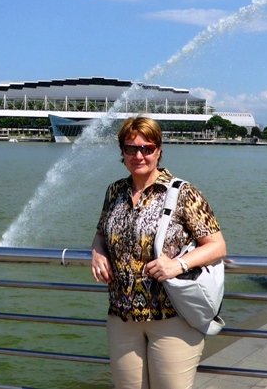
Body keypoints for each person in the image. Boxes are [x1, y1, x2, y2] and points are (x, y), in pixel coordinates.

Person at [91, 116, 226, 389]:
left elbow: (217, 246)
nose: (139, 155)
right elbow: (101, 233)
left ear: (159, 150)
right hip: (122, 315)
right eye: (131, 148)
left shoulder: (183, 193)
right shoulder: (115, 191)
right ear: (122, 152)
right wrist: (97, 251)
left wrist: (178, 265)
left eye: (147, 148)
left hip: (172, 317)